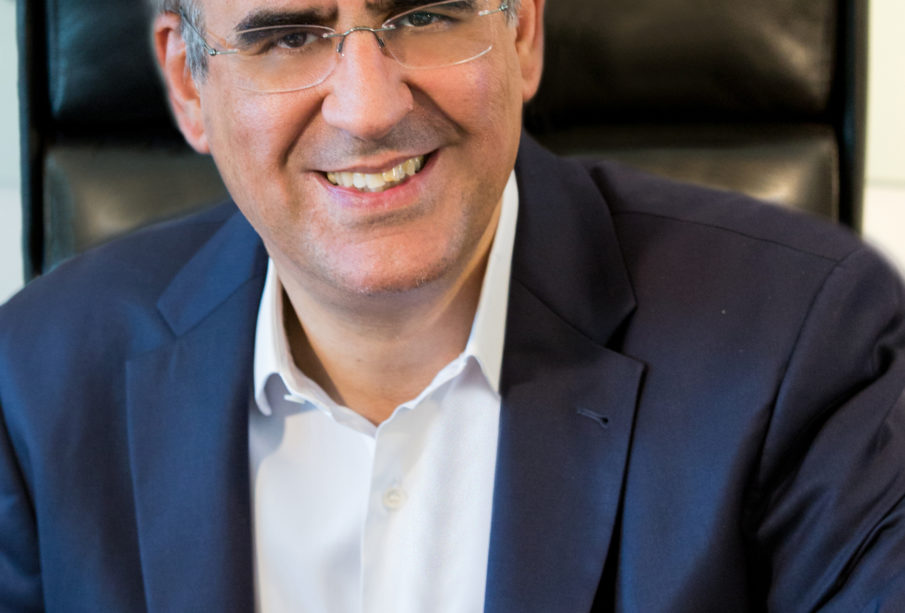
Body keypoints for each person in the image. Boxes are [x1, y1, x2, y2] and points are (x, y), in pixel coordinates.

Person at [1, 0, 904, 610]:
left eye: (425, 15)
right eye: (288, 37)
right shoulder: (32, 388)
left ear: (522, 34)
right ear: (189, 83)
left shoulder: (808, 343)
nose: (366, 108)